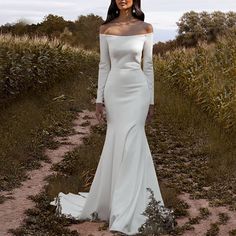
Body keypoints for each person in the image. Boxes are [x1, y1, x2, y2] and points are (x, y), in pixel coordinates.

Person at [50, 0, 166, 235]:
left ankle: (129, 208)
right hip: (115, 90)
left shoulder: (146, 28)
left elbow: (149, 65)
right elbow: (104, 65)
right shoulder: (105, 29)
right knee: (116, 142)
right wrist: (99, 99)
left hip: (138, 90)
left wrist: (151, 101)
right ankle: (116, 203)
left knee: (134, 143)